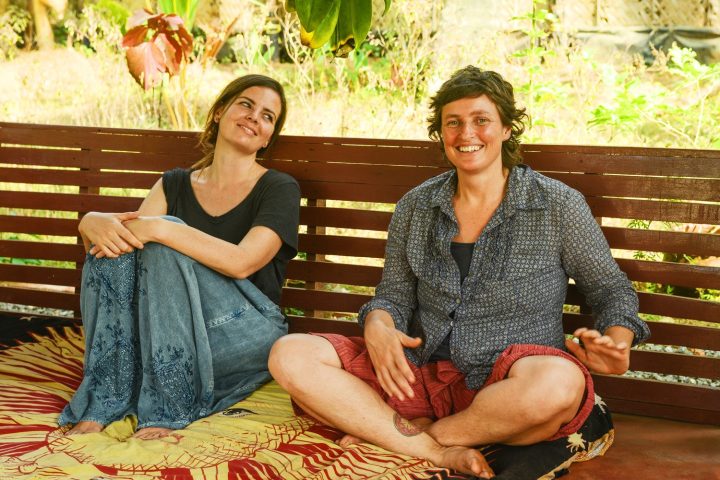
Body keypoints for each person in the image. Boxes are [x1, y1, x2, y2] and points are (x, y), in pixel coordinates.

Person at [268, 66, 650, 477]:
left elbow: (612, 291)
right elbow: (393, 295)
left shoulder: (557, 205)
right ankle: (437, 450)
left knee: (560, 385)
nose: (466, 133)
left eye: (481, 120)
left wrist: (617, 341)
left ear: (506, 129)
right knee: (290, 354)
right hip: (415, 375)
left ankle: (413, 436)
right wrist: (378, 322)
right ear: (441, 134)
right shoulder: (416, 206)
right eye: (454, 123)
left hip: (506, 386)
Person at [59, 74, 301, 440]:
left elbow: (242, 261)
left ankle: (170, 406)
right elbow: (126, 254)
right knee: (135, 246)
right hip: (171, 331)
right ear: (220, 112)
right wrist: (90, 222)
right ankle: (104, 400)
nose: (255, 117)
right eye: (247, 105)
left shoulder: (279, 188)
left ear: (268, 138)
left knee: (160, 240)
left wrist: (164, 228)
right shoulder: (173, 184)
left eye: (268, 116)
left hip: (245, 332)